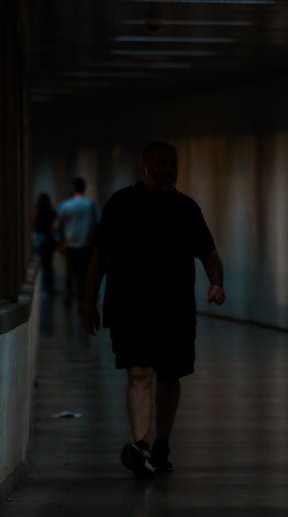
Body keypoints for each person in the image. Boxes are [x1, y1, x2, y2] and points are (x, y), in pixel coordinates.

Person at [80, 141, 226, 479]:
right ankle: (141, 445)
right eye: (162, 164)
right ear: (145, 165)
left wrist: (217, 282)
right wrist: (88, 303)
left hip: (175, 307)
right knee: (139, 372)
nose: (168, 170)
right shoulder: (121, 203)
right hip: (130, 305)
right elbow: (99, 257)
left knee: (170, 375)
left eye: (172, 164)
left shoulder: (186, 208)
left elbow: (209, 252)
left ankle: (161, 444)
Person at [55, 176, 100, 306]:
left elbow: (57, 227)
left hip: (70, 244)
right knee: (85, 274)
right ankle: (83, 299)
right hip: (86, 245)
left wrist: (59, 243)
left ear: (73, 188)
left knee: (69, 274)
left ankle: (68, 297)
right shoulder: (91, 205)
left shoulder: (65, 205)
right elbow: (99, 224)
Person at [32, 193, 57, 295]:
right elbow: (54, 227)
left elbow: (34, 225)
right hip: (48, 239)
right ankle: (49, 287)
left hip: (39, 238)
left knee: (42, 264)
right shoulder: (52, 212)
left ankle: (42, 287)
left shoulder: (37, 212)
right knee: (48, 264)